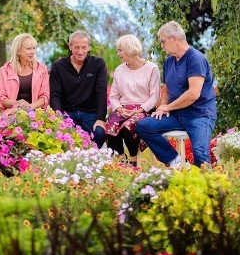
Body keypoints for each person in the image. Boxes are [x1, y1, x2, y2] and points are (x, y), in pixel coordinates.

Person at [136, 21, 217, 168]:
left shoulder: (196, 59)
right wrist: (162, 107)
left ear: (174, 38)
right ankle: (174, 160)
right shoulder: (169, 62)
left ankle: (206, 187)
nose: (161, 45)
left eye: (163, 41)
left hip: (199, 115)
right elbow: (166, 89)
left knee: (200, 153)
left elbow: (193, 94)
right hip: (177, 115)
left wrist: (168, 107)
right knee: (144, 126)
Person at [106, 34, 160, 165]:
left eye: (120, 50)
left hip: (144, 110)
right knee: (111, 123)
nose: (118, 53)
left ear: (129, 49)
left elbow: (154, 97)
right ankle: (120, 157)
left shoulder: (151, 68)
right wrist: (119, 109)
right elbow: (113, 96)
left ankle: (133, 160)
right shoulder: (119, 70)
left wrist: (138, 111)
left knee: (127, 126)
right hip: (124, 109)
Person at [49, 30, 107, 148]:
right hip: (67, 113)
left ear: (89, 47)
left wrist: (101, 118)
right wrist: (59, 118)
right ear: (70, 47)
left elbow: (101, 93)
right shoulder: (58, 66)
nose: (80, 51)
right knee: (61, 137)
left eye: (84, 47)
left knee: (99, 133)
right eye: (76, 47)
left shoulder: (98, 64)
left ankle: (91, 160)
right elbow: (55, 95)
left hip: (90, 114)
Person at [0, 33, 49, 114]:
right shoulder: (4, 70)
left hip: (37, 114)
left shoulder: (42, 69)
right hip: (12, 114)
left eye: (34, 48)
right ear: (18, 51)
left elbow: (45, 96)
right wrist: (17, 104)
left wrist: (30, 107)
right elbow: (1, 98)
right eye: (28, 49)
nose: (33, 52)